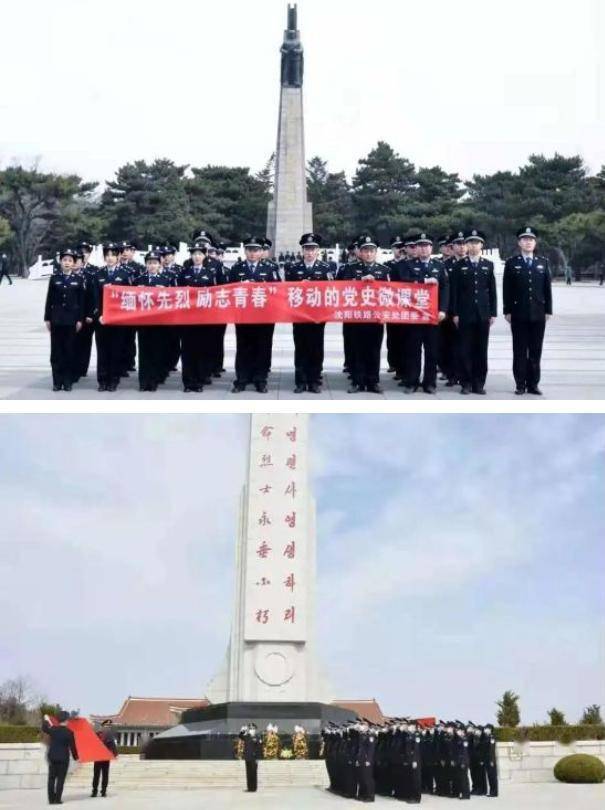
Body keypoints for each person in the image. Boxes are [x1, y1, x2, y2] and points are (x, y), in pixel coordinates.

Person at [503, 226, 552, 395]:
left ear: (535, 242)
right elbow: (507, 289)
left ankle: (533, 384)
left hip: (539, 313)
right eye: (524, 239)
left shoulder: (542, 262)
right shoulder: (512, 263)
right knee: (519, 350)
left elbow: (547, 289)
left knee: (536, 350)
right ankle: (520, 384)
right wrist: (507, 310)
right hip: (519, 313)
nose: (528, 242)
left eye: (531, 239)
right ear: (519, 243)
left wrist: (549, 310)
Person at [397, 233, 449, 394]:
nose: (424, 248)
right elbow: (402, 283)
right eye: (420, 246)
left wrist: (443, 310)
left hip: (433, 316)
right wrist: (422, 282)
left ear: (431, 248)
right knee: (413, 350)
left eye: (427, 245)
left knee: (432, 351)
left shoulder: (439, 266)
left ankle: (430, 383)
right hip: (414, 315)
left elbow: (445, 288)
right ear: (416, 248)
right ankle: (412, 382)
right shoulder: (407, 265)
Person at [228, 236, 281, 393]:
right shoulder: (237, 269)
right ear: (245, 251)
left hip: (264, 316)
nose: (252, 253)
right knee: (243, 347)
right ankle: (242, 379)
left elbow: (278, 291)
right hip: (243, 316)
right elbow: (228, 290)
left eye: (256, 250)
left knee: (263, 347)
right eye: (250, 250)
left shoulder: (270, 269)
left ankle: (260, 379)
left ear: (261, 252)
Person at [338, 234, 390, 394]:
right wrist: (360, 280)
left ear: (376, 252)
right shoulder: (349, 269)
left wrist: (386, 313)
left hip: (376, 318)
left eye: (371, 251)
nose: (368, 254)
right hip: (356, 317)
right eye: (365, 250)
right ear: (359, 252)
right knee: (357, 350)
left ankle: (373, 381)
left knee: (374, 350)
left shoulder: (384, 270)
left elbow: (391, 293)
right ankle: (358, 381)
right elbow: (339, 289)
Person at [285, 232, 333, 393]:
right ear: (302, 250)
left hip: (318, 316)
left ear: (318, 251)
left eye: (312, 249)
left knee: (316, 347)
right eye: (306, 248)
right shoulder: (293, 268)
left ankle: (314, 380)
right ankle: (301, 380)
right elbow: (286, 292)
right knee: (300, 347)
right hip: (299, 316)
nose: (309, 252)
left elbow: (331, 291)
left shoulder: (326, 268)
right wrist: (300, 285)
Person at [450, 229, 497, 395]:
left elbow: (491, 291)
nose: (473, 245)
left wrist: (493, 313)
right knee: (465, 349)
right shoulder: (459, 265)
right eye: (470, 242)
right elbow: (454, 292)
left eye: (476, 242)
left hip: (483, 314)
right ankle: (466, 383)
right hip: (465, 313)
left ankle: (479, 383)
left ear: (482, 245)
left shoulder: (488, 265)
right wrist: (454, 313)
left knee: (481, 349)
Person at [178, 241, 219, 392]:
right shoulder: (184, 273)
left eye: (200, 254)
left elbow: (215, 295)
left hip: (203, 319)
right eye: (194, 254)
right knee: (187, 351)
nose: (197, 257)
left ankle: (199, 381)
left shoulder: (209, 274)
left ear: (204, 256)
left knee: (202, 350)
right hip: (187, 319)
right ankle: (188, 382)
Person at [43, 248, 85, 391]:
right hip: (56, 320)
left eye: (70, 260)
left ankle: (67, 381)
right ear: (60, 262)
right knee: (56, 352)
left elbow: (81, 302)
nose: (67, 263)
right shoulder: (54, 278)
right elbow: (49, 300)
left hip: (71, 320)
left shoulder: (78, 280)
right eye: (64, 260)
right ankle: (57, 381)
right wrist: (47, 318)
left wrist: (80, 320)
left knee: (69, 350)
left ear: (74, 263)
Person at [134, 250, 174, 391]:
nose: (152, 266)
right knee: (144, 351)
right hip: (143, 321)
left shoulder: (165, 280)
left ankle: (154, 380)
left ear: (160, 264)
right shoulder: (139, 280)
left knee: (157, 351)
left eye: (155, 263)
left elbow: (172, 299)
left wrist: (164, 290)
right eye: (149, 263)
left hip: (159, 321)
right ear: (146, 264)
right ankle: (143, 381)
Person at [93, 243, 131, 392]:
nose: (110, 258)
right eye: (107, 255)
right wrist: (98, 315)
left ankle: (113, 380)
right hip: (102, 320)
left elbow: (128, 297)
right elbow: (95, 297)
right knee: (102, 351)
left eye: (113, 255)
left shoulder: (124, 275)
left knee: (116, 350)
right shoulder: (99, 274)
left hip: (118, 320)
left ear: (118, 257)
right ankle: (102, 380)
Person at [41, 711, 78, 805]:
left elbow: (44, 728)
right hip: (63, 758)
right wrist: (76, 757)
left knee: (51, 778)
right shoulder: (69, 733)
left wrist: (45, 720)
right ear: (66, 720)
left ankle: (51, 799)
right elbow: (73, 747)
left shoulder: (53, 729)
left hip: (52, 757)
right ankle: (57, 799)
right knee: (61, 779)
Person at [91, 719, 118, 798]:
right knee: (97, 775)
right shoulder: (97, 734)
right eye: (106, 726)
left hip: (105, 757)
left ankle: (102, 791)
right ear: (102, 726)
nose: (107, 728)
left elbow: (112, 745)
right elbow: (93, 744)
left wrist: (115, 753)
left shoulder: (108, 734)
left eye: (108, 726)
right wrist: (115, 754)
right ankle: (96, 791)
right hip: (99, 757)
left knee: (103, 774)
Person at [239, 724, 262, 792]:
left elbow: (259, 748)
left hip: (254, 758)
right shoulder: (247, 736)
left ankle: (254, 788)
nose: (252, 730)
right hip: (247, 758)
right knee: (248, 773)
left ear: (255, 730)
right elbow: (240, 736)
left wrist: (257, 758)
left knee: (253, 773)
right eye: (250, 729)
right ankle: (249, 788)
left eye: (253, 729)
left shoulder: (257, 737)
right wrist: (243, 730)